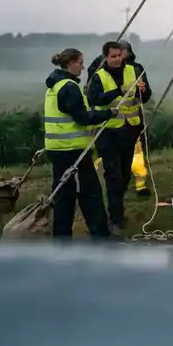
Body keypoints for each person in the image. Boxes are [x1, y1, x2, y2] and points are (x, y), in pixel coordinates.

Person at [43, 48, 115, 240]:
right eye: (80, 63)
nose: (83, 67)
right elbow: (83, 117)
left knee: (64, 196)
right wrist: (109, 113)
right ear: (70, 64)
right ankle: (101, 236)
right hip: (72, 151)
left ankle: (61, 239)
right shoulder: (69, 87)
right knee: (90, 194)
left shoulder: (55, 85)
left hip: (58, 149)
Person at [87, 40, 148, 233]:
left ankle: (117, 209)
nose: (116, 59)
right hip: (108, 131)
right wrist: (118, 91)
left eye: (119, 55)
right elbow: (94, 99)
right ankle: (115, 219)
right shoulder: (99, 76)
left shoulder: (134, 70)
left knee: (124, 175)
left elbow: (145, 97)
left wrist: (143, 92)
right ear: (105, 57)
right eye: (112, 56)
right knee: (113, 176)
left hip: (129, 130)